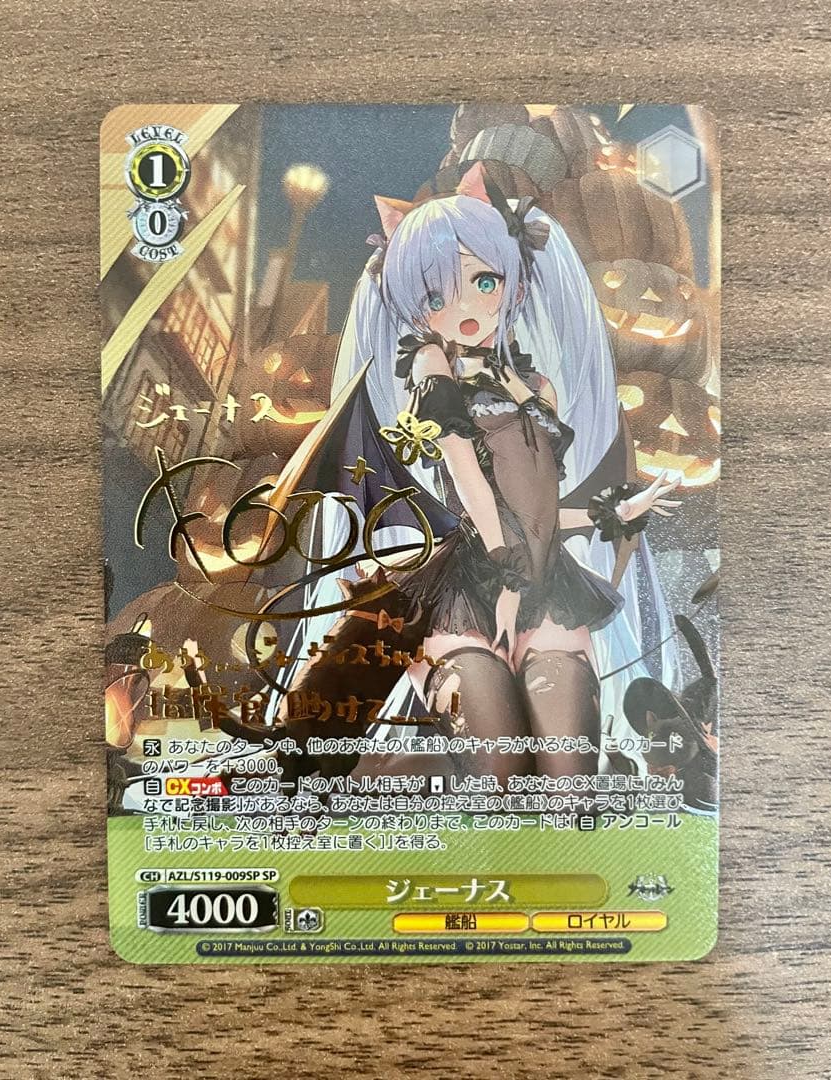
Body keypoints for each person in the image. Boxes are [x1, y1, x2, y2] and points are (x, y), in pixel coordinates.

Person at [274, 163, 680, 783]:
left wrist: (613, 512)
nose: (464, 309)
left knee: (567, 771)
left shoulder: (536, 384)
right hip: (466, 580)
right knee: (501, 764)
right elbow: (466, 474)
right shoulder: (431, 368)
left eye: (482, 280)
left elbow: (533, 502)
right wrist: (506, 572)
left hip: (545, 578)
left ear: (511, 283)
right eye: (435, 297)